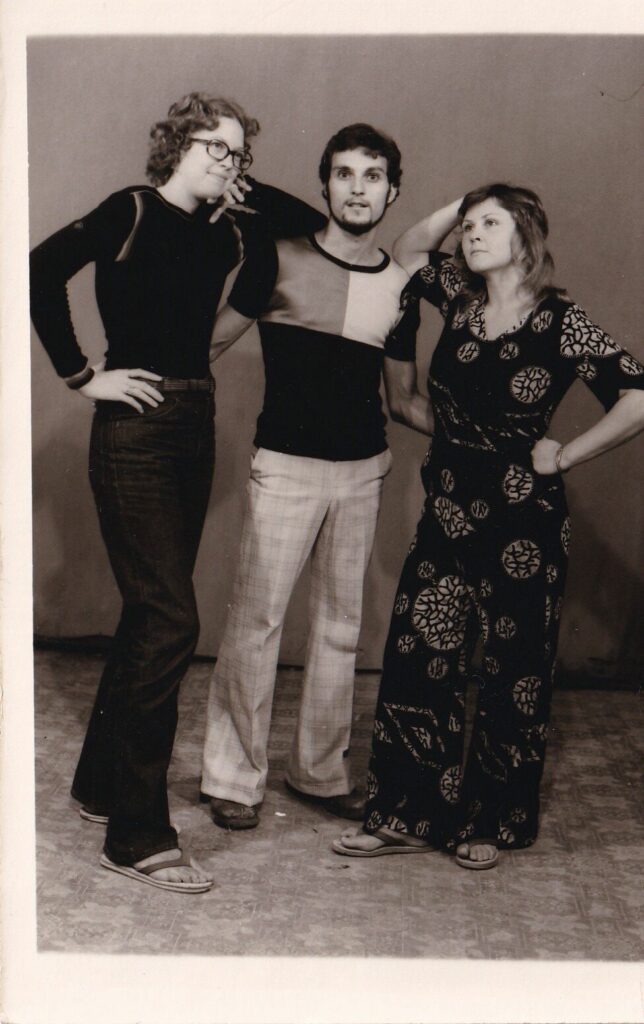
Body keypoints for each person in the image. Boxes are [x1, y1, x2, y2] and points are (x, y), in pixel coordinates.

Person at [30, 91, 325, 893]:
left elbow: (299, 225)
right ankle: (135, 835)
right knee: (169, 619)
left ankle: (100, 785)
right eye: (215, 147)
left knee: (146, 615)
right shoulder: (130, 209)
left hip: (194, 420)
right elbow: (37, 269)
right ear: (175, 146)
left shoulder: (227, 230)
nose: (229, 163)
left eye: (239, 153)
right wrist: (83, 377)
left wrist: (244, 194)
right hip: (135, 430)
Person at [333, 183, 644, 868]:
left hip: (523, 518)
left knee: (514, 670)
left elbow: (638, 395)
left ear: (525, 239)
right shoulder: (459, 298)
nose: (471, 234)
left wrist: (565, 452)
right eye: (468, 226)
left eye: (489, 224)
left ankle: (489, 823)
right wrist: (470, 195)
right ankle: (405, 816)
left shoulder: (560, 320)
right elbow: (412, 249)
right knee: (420, 655)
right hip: (447, 507)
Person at [200, 123, 421, 830]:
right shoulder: (277, 257)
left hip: (363, 472)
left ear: (393, 191)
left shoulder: (400, 288)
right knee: (256, 625)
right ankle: (233, 778)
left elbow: (404, 399)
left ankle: (321, 775)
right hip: (285, 467)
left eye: (373, 175)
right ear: (324, 184)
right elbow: (204, 342)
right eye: (346, 174)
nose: (359, 188)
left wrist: (498, 438)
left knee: (339, 628)